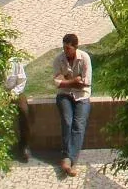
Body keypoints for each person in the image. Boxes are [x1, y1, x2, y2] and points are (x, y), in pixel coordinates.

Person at [52, 33, 92, 177]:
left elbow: (86, 81)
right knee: (67, 122)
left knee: (78, 125)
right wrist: (74, 81)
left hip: (82, 96)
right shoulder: (59, 59)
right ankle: (68, 159)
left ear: (75, 47)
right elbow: (57, 82)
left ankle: (68, 159)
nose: (65, 51)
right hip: (64, 95)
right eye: (64, 48)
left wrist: (66, 81)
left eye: (68, 48)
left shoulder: (84, 58)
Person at [4, 55, 31, 163]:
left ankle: (24, 145)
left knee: (23, 110)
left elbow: (21, 81)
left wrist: (11, 95)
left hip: (15, 91)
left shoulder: (15, 61)